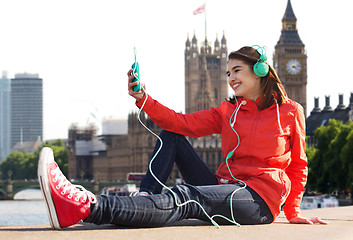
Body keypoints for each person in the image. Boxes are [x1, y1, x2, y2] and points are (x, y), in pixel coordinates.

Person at [38, 46, 327, 230]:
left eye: (236, 70)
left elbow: (299, 164)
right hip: (225, 186)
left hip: (257, 199)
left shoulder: (290, 111)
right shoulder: (228, 110)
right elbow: (181, 122)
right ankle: (146, 197)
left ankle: (87, 206)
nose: (230, 78)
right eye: (227, 72)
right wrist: (143, 98)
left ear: (261, 70)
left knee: (188, 197)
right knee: (172, 134)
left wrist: (293, 210)